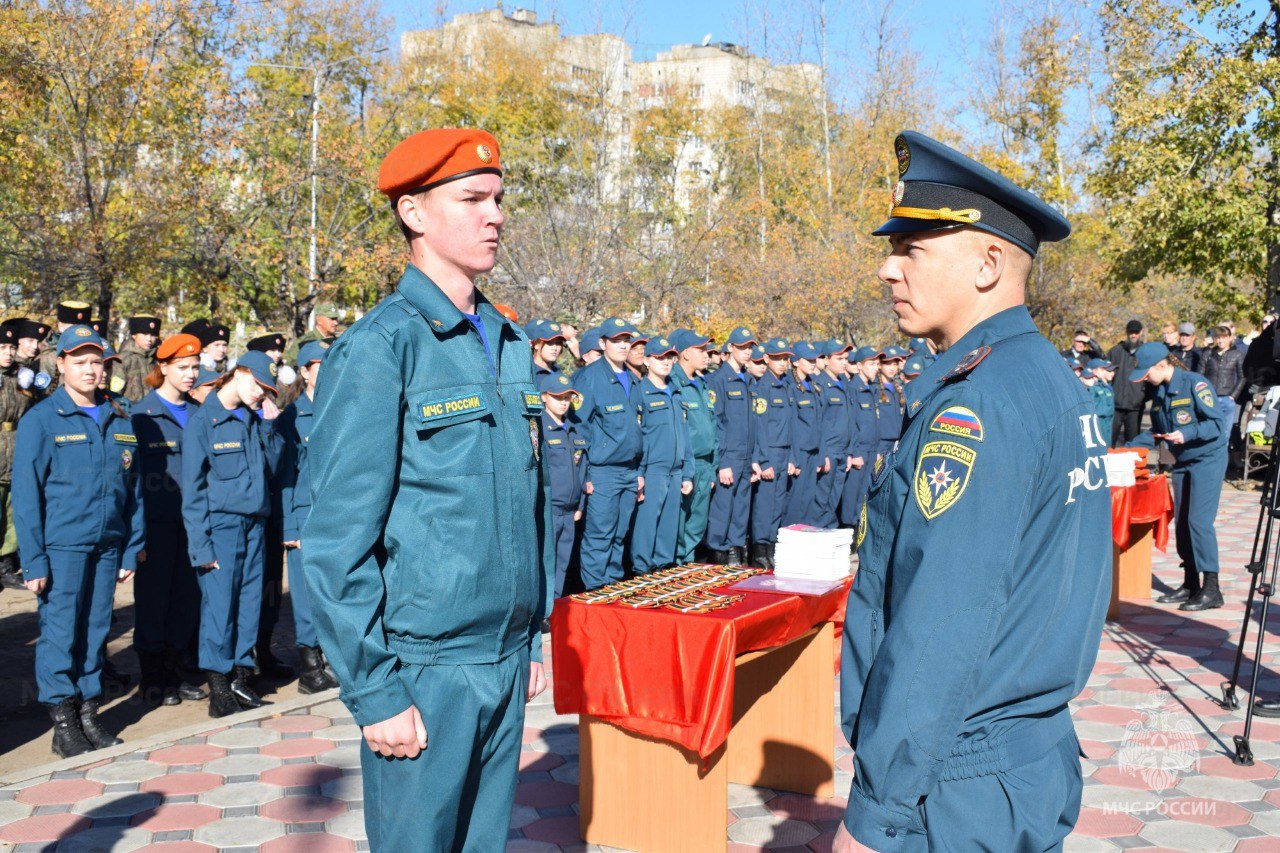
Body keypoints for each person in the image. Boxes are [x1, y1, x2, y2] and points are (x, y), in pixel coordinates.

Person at [834, 131, 1109, 852]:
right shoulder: (1047, 379)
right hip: (1020, 760)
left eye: (913, 248)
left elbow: (941, 623)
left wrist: (878, 811)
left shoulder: (978, 404)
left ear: (988, 263)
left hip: (954, 786)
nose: (888, 269)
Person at [304, 128, 551, 852]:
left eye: (499, 198)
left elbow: (528, 502)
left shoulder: (504, 341)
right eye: (472, 198)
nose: (495, 214)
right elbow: (335, 539)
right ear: (413, 213)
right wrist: (375, 688)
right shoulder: (384, 346)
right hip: (424, 669)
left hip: (502, 661)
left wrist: (528, 635)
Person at [13, 325, 144, 757]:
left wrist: (129, 547)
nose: (91, 370)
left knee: (95, 630)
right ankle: (63, 720)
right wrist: (33, 561)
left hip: (108, 543)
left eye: (97, 362)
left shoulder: (119, 415)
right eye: (81, 361)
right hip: (62, 546)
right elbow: (27, 495)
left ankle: (90, 712)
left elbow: (135, 491)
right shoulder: (42, 419)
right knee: (61, 631)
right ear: (62, 364)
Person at [181, 350, 282, 717]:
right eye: (258, 385)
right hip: (220, 527)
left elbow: (272, 468)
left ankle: (241, 675)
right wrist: (200, 545)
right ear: (238, 373)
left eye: (268, 389)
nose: (262, 394)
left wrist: (269, 426)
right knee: (219, 607)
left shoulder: (255, 419)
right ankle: (219, 686)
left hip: (255, 523)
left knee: (249, 603)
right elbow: (191, 490)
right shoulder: (204, 421)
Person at [130, 333, 205, 706]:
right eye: (183, 367)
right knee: (153, 598)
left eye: (195, 367)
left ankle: (175, 670)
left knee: (185, 598)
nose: (191, 374)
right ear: (163, 368)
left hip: (192, 524)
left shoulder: (199, 413)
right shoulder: (140, 416)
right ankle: (152, 676)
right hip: (156, 523)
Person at [1127, 342, 1228, 610]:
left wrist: (1188, 433)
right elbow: (1154, 434)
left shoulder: (1196, 384)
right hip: (1183, 462)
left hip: (1208, 459)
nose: (1145, 378)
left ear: (1162, 364)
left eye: (1147, 372)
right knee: (1182, 523)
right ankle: (1191, 583)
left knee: (1198, 521)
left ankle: (1212, 588)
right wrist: (1124, 450)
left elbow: (1216, 424)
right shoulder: (1160, 395)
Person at [275, 340, 339, 694]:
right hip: (305, 516)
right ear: (304, 371)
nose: (327, 371)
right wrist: (289, 525)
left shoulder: (341, 408)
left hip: (336, 517)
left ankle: (331, 657)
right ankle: (309, 664)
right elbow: (285, 477)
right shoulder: (292, 417)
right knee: (305, 594)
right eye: (319, 365)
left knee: (332, 591)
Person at [575, 318, 643, 589]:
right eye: (616, 341)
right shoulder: (590, 378)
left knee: (619, 535)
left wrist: (640, 472)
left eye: (626, 340)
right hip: (602, 472)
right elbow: (578, 429)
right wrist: (585, 474)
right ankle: (594, 595)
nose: (623, 346)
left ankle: (612, 590)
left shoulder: (635, 380)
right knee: (599, 536)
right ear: (602, 344)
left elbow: (642, 430)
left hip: (629, 470)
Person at [631, 337, 693, 573]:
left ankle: (663, 573)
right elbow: (637, 437)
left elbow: (685, 435)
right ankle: (641, 574)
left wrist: (688, 473)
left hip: (675, 471)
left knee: (669, 528)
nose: (666, 362)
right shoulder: (641, 392)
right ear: (647, 360)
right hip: (653, 470)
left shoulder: (676, 392)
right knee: (646, 528)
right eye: (659, 357)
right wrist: (639, 473)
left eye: (669, 357)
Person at [705, 326, 759, 564]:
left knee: (740, 510)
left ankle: (737, 554)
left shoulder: (748, 380)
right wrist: (723, 462)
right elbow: (717, 423)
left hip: (746, 456)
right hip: (730, 457)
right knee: (722, 510)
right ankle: (719, 556)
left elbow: (752, 423)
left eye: (750, 347)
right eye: (742, 347)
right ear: (730, 348)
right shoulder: (717, 380)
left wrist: (755, 458)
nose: (747, 352)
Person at [538, 371, 588, 597]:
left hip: (570, 510)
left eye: (567, 398)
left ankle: (555, 604)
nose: (563, 402)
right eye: (558, 397)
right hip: (550, 507)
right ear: (544, 397)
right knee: (546, 560)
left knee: (562, 561)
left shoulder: (574, 429)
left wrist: (581, 504)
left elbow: (582, 469)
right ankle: (543, 608)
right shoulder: (539, 428)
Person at [748, 338, 797, 567]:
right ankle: (760, 551)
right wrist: (764, 460)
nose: (783, 363)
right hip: (770, 452)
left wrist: (792, 458)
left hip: (784, 452)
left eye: (786, 358)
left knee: (778, 506)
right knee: (764, 507)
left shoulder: (786, 385)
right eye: (777, 358)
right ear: (766, 359)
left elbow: (791, 424)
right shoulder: (763, 387)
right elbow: (760, 427)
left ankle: (770, 548)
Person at [670, 329, 717, 564]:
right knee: (679, 525)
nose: (706, 354)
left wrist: (714, 465)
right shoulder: (674, 382)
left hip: (705, 464)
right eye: (701, 349)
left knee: (697, 524)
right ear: (686, 353)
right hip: (686, 465)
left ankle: (686, 564)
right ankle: (677, 568)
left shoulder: (701, 383)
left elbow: (713, 427)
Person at [0, 322, 36, 586]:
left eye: (12, 347)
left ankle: (6, 563)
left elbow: (34, 409)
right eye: (3, 347)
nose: (9, 352)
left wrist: (36, 387)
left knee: (13, 510)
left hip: (16, 446)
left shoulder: (21, 375)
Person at [814, 341, 855, 529]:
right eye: (839, 359)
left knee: (833, 500)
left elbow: (849, 421)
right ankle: (817, 539)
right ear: (826, 359)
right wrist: (823, 455)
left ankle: (827, 539)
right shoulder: (820, 384)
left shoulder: (844, 383)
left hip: (842, 450)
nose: (844, 363)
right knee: (821, 501)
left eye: (846, 359)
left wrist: (849, 453)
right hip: (829, 450)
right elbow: (819, 424)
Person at [783, 341, 825, 527]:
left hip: (812, 452)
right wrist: (793, 458)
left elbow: (819, 423)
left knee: (808, 501)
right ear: (796, 362)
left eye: (814, 359)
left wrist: (821, 455)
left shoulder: (812, 386)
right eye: (808, 360)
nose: (813, 363)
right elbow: (790, 424)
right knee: (794, 503)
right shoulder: (789, 386)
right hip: (798, 452)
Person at [841, 346, 878, 527]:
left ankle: (857, 528)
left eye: (877, 364)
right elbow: (852, 423)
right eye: (871, 364)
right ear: (860, 366)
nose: (876, 368)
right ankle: (848, 528)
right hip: (859, 449)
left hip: (871, 448)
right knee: (852, 493)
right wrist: (855, 451)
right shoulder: (852, 388)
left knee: (863, 493)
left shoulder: (870, 388)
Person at [1201, 324, 1245, 445]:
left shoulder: (1237, 354)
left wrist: (1233, 396)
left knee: (1225, 435)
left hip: (1227, 398)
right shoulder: (1208, 354)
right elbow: (1199, 376)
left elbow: (1243, 376)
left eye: (1224, 337)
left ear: (1230, 338)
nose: (1221, 340)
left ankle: (1221, 462)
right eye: (1218, 337)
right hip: (1209, 398)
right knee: (1207, 433)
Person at [1108, 319, 1148, 446]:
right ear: (1126, 332)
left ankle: (1132, 467)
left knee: (1133, 444)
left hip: (1135, 407)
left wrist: (1142, 397)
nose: (1133, 335)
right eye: (1131, 332)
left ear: (1141, 332)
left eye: (1136, 332)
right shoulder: (1115, 351)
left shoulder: (1146, 353)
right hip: (1116, 405)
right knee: (1109, 441)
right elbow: (1104, 373)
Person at [118, 316, 161, 402]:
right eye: (145, 334)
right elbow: (116, 393)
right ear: (134, 335)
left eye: (153, 335)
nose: (149, 339)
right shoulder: (123, 360)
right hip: (130, 412)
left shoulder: (159, 359)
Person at [1087, 358, 1117, 445]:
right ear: (1095, 371)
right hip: (1099, 421)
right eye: (1102, 369)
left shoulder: (1103, 386)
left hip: (1107, 421)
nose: (1105, 371)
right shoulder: (1092, 387)